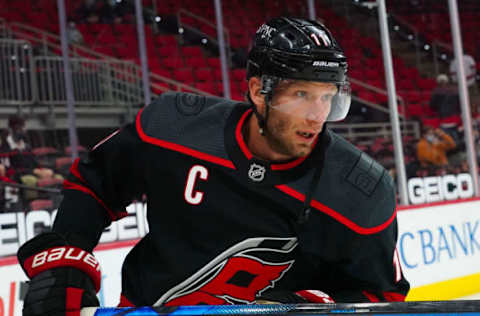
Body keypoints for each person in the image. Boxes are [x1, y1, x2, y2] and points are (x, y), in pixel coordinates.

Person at [17, 17, 410, 316]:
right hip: (146, 308)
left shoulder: (361, 190)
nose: (316, 116)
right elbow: (94, 181)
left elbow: (381, 297)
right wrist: (67, 256)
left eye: (327, 98)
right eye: (302, 95)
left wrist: (306, 304)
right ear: (259, 90)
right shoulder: (173, 127)